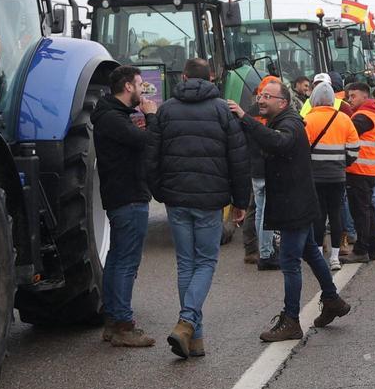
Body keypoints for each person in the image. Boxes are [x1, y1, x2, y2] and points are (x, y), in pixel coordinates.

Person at [229, 79, 352, 340]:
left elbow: (279, 143)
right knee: (311, 253)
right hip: (297, 202)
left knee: (289, 262)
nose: (261, 100)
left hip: (295, 205)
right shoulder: (281, 120)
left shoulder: (291, 123)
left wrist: (244, 118)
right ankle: (333, 300)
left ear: (282, 102)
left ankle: (292, 320)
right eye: (260, 95)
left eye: (267, 97)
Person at [147, 57, 251, 359]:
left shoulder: (165, 109)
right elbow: (238, 159)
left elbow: (151, 157)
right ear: (212, 78)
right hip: (210, 200)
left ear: (183, 77)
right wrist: (240, 202)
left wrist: (160, 191)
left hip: (177, 199)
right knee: (205, 263)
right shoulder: (223, 110)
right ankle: (188, 322)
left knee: (185, 264)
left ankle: (195, 338)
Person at [92, 65, 158, 348]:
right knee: (126, 261)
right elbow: (148, 143)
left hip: (124, 195)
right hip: (128, 196)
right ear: (128, 87)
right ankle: (123, 324)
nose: (143, 89)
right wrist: (151, 116)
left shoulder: (112, 115)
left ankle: (113, 322)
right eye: (140, 84)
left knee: (118, 259)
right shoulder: (113, 119)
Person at [302, 82, 360, 271]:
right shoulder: (344, 118)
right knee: (336, 215)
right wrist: (343, 164)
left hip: (315, 177)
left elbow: (301, 150)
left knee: (318, 216)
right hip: (337, 176)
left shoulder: (308, 120)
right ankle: (335, 257)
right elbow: (354, 148)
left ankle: (318, 255)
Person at [341, 81, 375, 263]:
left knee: (360, 212)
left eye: (353, 96)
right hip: (372, 169)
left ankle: (361, 250)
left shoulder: (361, 116)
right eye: (348, 96)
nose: (349, 99)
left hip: (358, 170)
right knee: (367, 210)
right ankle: (373, 247)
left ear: (364, 96)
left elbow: (344, 136)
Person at [247, 75, 282, 270]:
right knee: (267, 211)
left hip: (255, 166)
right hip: (268, 166)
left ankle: (263, 249)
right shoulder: (273, 113)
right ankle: (267, 252)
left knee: (260, 211)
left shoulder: (251, 112)